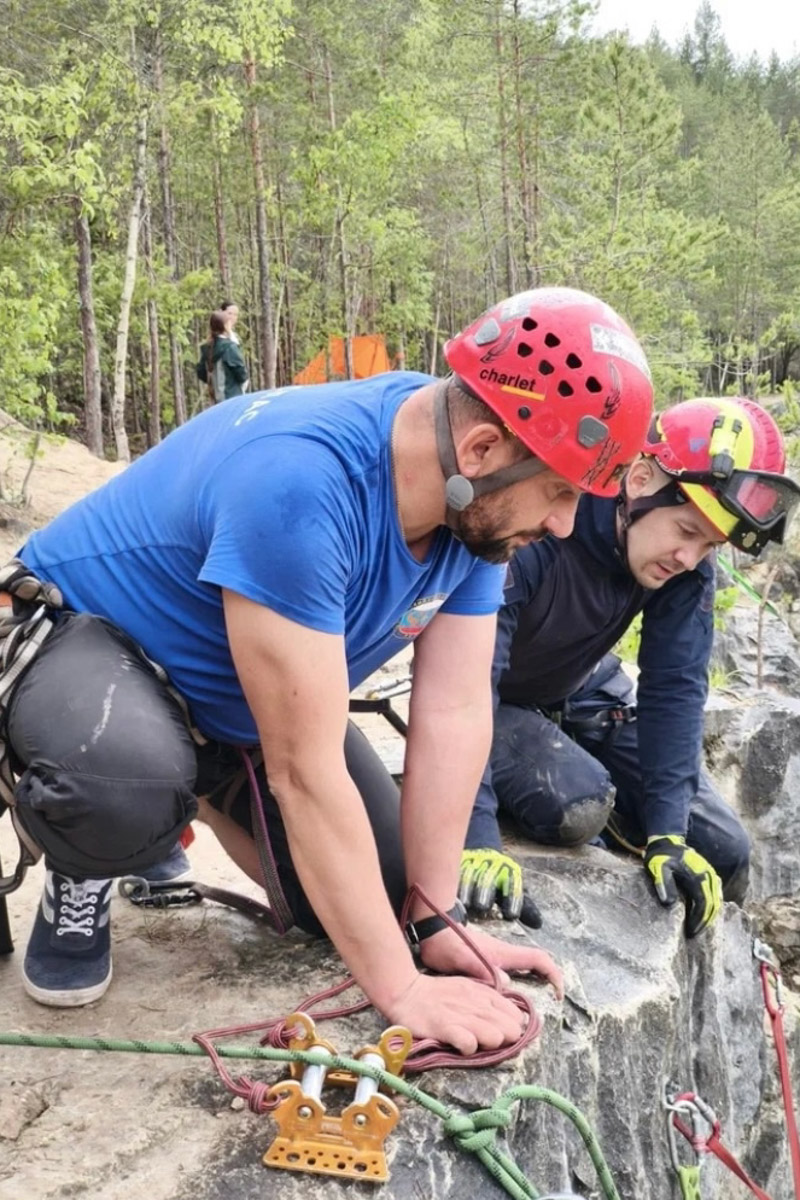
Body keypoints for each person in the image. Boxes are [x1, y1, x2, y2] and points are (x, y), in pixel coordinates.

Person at [3, 288, 653, 1053]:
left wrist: (435, 920)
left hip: (233, 700)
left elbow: (454, 711)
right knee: (120, 784)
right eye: (559, 493)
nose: (564, 526)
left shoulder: (470, 506)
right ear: (480, 451)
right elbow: (305, 773)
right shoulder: (304, 481)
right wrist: (402, 992)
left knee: (374, 900)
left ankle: (191, 789)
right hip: (86, 642)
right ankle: (88, 848)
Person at [458, 397, 800, 938]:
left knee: (722, 849)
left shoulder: (689, 567)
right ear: (640, 479)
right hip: (494, 697)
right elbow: (465, 683)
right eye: (687, 530)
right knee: (576, 804)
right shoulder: (547, 521)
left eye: (710, 545)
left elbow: (676, 688)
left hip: (586, 691)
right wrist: (474, 835)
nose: (690, 558)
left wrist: (668, 834)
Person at [196, 309, 248, 402]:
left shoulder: (208, 348)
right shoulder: (229, 347)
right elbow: (242, 375)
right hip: (232, 398)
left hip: (216, 400)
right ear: (226, 326)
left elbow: (201, 372)